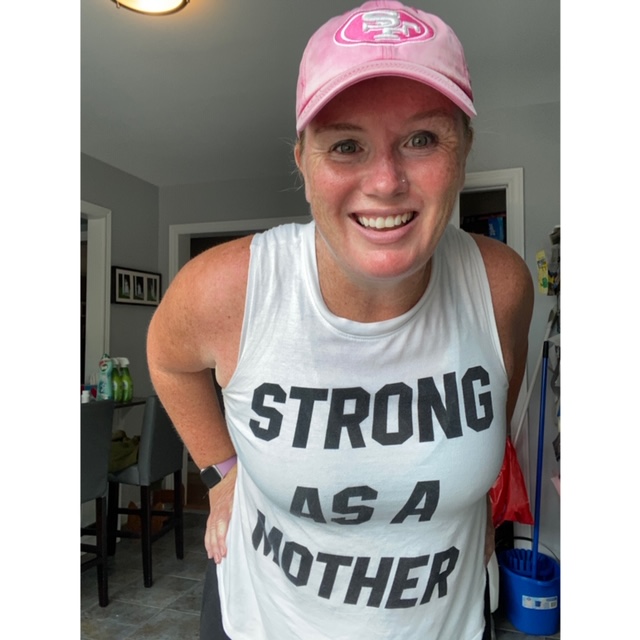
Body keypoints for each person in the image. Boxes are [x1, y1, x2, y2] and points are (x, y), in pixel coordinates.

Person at [146, 2, 534, 638]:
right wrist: (222, 473)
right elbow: (167, 360)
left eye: (422, 139)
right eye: (346, 145)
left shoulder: (499, 285)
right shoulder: (229, 289)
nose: (384, 181)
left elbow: (498, 411)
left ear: (462, 153)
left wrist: (483, 512)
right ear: (302, 162)